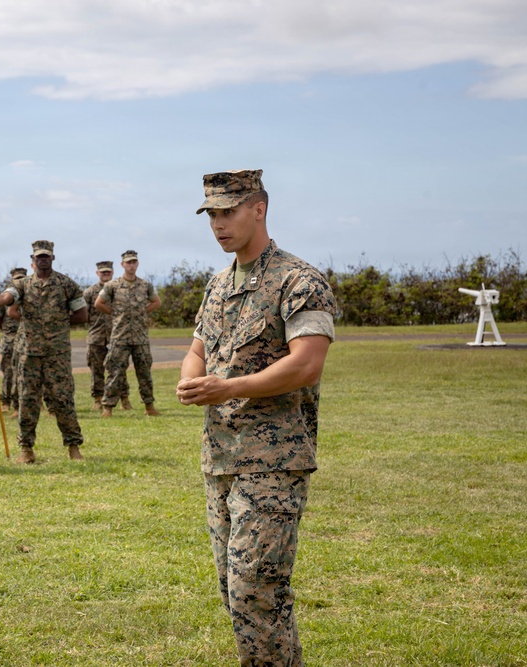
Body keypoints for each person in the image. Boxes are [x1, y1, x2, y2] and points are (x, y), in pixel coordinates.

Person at [176, 169, 337, 666]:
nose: (219, 224)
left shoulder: (298, 279)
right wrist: (192, 380)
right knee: (235, 593)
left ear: (259, 208)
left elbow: (307, 362)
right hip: (221, 460)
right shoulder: (219, 284)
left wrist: (229, 387)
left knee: (256, 593)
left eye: (228, 212)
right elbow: (197, 348)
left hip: (272, 462)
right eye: (212, 215)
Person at [0, 240, 87, 463]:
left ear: (53, 258)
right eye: (38, 256)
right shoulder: (23, 284)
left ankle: (73, 446)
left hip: (57, 353)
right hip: (29, 354)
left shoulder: (67, 284)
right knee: (27, 400)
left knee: (63, 400)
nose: (43, 259)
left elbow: (82, 314)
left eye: (46, 256)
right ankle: (26, 449)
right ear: (33, 260)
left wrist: (59, 322)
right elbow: (6, 299)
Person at [95, 250, 162, 417]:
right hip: (120, 336)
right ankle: (108, 407)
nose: (131, 265)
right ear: (122, 265)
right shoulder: (113, 285)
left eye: (134, 262)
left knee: (144, 372)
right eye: (128, 262)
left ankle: (149, 406)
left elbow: (156, 302)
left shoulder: (145, 285)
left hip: (140, 337)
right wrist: (114, 313)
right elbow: (99, 303)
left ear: (137, 264)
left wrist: (143, 312)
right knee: (115, 372)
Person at [82, 260, 131, 412]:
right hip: (96, 336)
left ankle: (124, 399)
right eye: (103, 272)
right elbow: (84, 313)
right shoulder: (89, 292)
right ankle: (98, 399)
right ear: (97, 273)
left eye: (108, 272)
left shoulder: (119, 289)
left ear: (113, 272)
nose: (105, 274)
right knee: (96, 370)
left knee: (118, 369)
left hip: (117, 335)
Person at [0, 267, 28, 414]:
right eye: (17, 278)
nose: (19, 281)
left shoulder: (31, 295)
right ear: (12, 280)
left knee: (27, 373)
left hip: (28, 339)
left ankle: (24, 403)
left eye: (22, 278)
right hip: (10, 339)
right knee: (8, 372)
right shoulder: (5, 297)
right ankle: (6, 401)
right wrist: (8, 333)